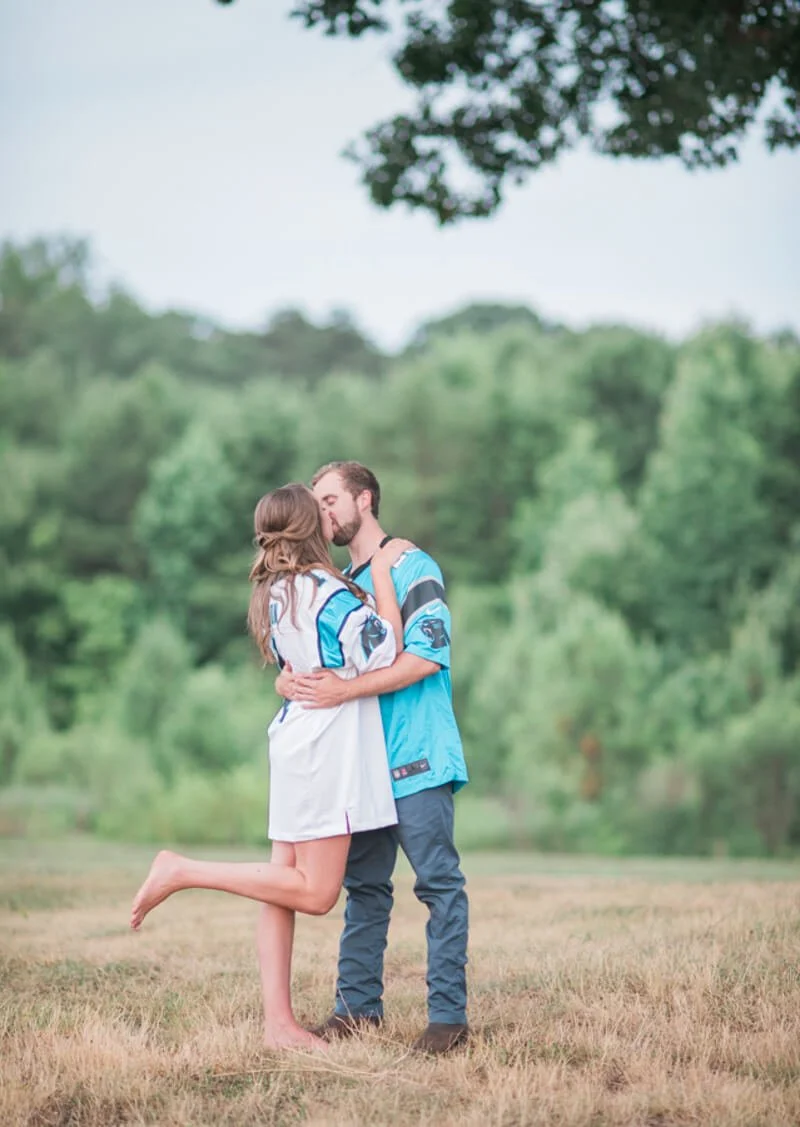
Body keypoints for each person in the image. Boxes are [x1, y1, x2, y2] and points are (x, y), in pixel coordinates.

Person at [130, 482, 411, 1051]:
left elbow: (299, 664)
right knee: (316, 893)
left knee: (281, 886)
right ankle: (183, 870)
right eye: (322, 509)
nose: (331, 515)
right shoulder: (325, 591)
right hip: (325, 746)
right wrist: (382, 572)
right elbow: (385, 649)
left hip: (294, 738)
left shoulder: (277, 591)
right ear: (311, 528)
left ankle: (278, 1024)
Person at [275, 461, 470, 1055]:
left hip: (415, 758)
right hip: (356, 765)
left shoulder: (411, 566)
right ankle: (357, 1011)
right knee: (364, 889)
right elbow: (319, 669)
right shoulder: (337, 582)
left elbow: (426, 658)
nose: (322, 511)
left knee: (438, 884)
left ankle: (448, 1021)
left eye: (331, 498)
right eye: (317, 501)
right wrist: (292, 684)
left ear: (365, 498)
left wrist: (343, 689)